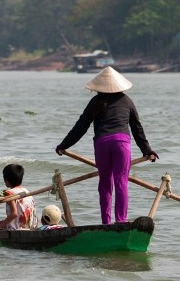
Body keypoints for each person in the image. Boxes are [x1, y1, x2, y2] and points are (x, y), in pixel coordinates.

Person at [55, 66, 159, 225]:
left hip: (102, 144)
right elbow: (137, 129)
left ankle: (106, 223)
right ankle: (121, 221)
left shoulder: (96, 102)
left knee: (105, 184)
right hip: (121, 144)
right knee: (121, 181)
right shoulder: (127, 101)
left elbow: (81, 126)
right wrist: (147, 150)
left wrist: (64, 145)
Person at [0, 164, 38, 231]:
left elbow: (14, 214)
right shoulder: (26, 191)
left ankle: (0, 226)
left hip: (15, 229)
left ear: (6, 180)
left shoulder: (9, 193)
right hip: (30, 227)